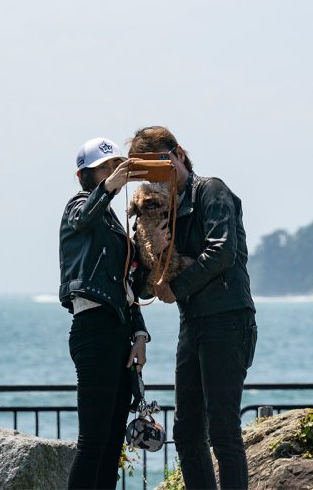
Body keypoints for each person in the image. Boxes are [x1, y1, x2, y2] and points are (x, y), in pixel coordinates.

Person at [129, 126, 258, 490]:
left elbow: (222, 252)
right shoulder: (162, 207)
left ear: (179, 153)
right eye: (147, 171)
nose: (156, 176)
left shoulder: (211, 190)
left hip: (229, 319)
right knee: (186, 432)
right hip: (194, 323)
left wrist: (175, 288)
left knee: (223, 430)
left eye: (159, 164)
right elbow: (150, 274)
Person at [59, 137, 151, 489]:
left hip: (119, 330)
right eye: (106, 166)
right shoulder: (79, 206)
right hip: (93, 328)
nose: (114, 171)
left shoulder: (111, 222)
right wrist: (110, 189)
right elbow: (82, 219)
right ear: (86, 175)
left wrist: (140, 335)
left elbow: (127, 285)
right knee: (93, 441)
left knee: (112, 443)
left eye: (116, 165)